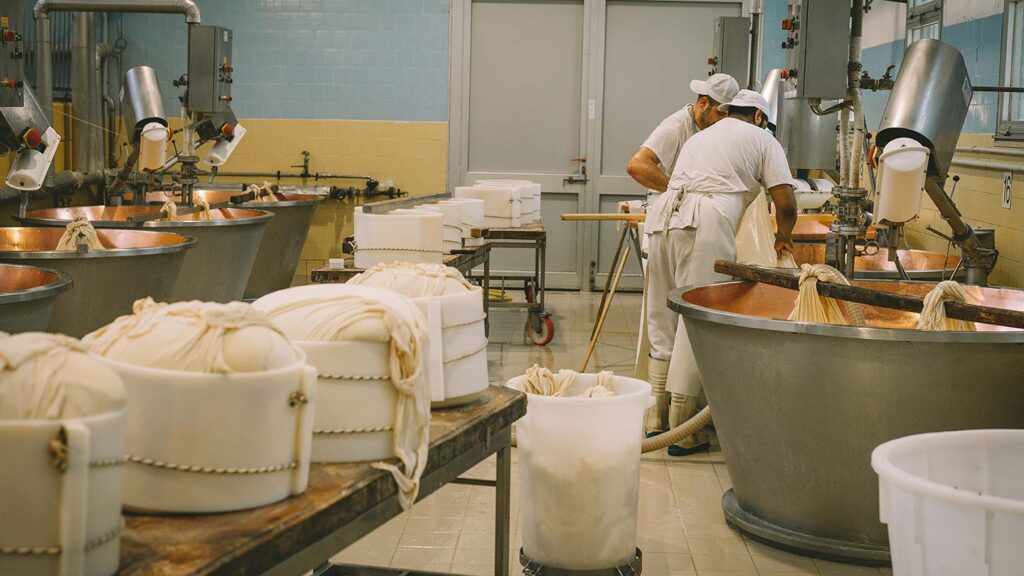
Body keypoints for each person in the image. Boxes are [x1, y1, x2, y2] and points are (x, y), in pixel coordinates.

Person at [650, 89, 798, 455]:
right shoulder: (762, 139)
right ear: (760, 117)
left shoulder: (702, 136)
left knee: (662, 318)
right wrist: (784, 238)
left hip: (663, 220)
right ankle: (684, 430)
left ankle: (655, 418)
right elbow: (786, 202)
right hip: (706, 223)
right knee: (695, 317)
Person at [627, 74, 740, 440]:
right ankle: (668, 421)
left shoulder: (711, 132)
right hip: (673, 226)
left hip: (680, 225)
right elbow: (637, 165)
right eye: (722, 115)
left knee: (669, 321)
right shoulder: (678, 125)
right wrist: (679, 188)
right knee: (672, 320)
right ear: (704, 105)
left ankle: (668, 420)